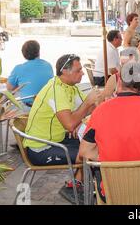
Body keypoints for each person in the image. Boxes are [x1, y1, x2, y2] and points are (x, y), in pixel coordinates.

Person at [78, 62, 140, 203]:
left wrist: (110, 156)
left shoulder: (100, 111)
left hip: (111, 192)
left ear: (119, 82)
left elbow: (85, 152)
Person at [24, 54, 103, 200]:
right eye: (78, 70)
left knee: (94, 144)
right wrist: (86, 104)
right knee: (91, 155)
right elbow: (70, 124)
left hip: (57, 139)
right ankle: (79, 188)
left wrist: (99, 101)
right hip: (40, 148)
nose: (83, 73)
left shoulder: (70, 86)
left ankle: (76, 185)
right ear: (65, 72)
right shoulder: (56, 90)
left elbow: (89, 109)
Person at [6, 40, 53, 108]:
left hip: (28, 107)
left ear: (24, 54)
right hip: (47, 105)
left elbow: (9, 88)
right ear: (38, 52)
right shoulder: (48, 65)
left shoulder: (19, 68)